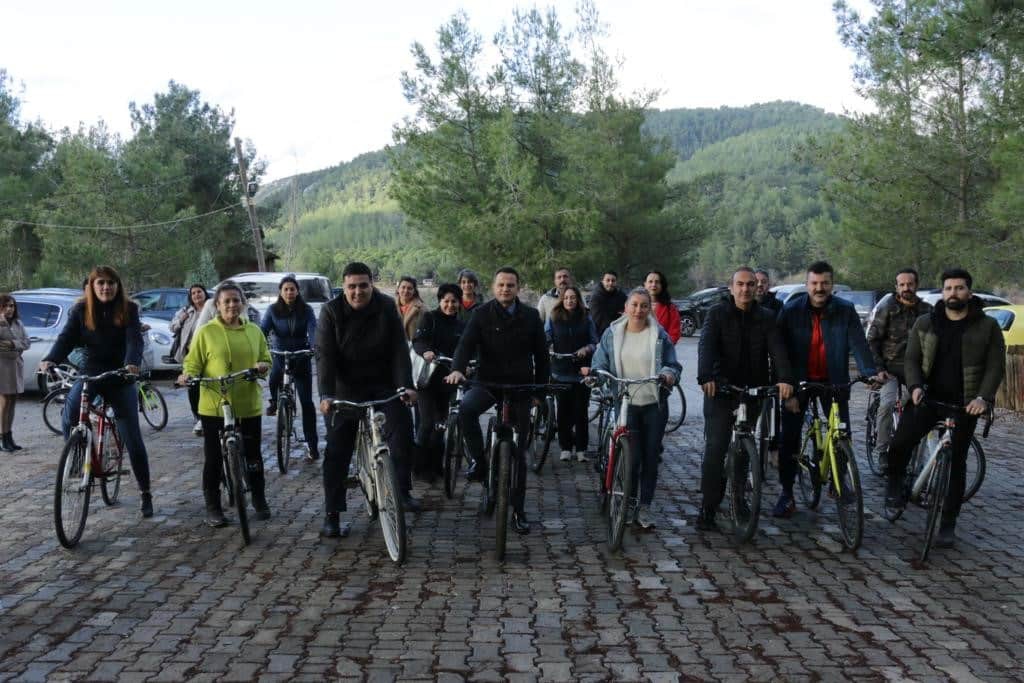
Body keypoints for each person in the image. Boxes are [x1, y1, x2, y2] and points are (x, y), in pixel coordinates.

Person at [886, 268, 1005, 548]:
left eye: (959, 288)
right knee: (900, 442)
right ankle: (894, 485)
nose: (954, 293)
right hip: (928, 399)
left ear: (969, 292)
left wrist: (983, 398)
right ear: (942, 292)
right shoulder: (927, 323)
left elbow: (995, 366)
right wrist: (914, 387)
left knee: (957, 464)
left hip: (965, 405)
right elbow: (912, 360)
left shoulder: (986, 326)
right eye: (949, 288)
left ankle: (948, 524)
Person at [39, 266, 155, 518]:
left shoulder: (129, 309)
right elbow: (66, 338)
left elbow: (134, 340)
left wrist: (131, 363)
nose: (106, 287)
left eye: (111, 283)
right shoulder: (81, 310)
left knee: (133, 438)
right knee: (71, 413)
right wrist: (50, 359)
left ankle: (145, 492)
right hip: (90, 372)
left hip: (120, 375)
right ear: (92, 286)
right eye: (100, 283)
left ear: (118, 285)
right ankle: (78, 458)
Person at [317, 261, 420, 538]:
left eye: (363, 285)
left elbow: (400, 350)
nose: (358, 291)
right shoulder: (331, 311)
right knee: (337, 451)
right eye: (352, 286)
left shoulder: (386, 307)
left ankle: (400, 491)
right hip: (345, 389)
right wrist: (326, 394)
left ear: (371, 284)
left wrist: (406, 386)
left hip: (383, 384)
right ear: (344, 287)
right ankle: (333, 514)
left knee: (402, 434)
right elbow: (324, 356)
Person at [445, 267, 549, 535]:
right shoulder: (481, 314)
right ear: (493, 287)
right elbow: (465, 345)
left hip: (521, 386)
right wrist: (457, 368)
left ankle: (519, 511)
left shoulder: (531, 316)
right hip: (487, 381)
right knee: (466, 409)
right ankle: (479, 461)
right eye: (501, 285)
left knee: (519, 454)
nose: (506, 289)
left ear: (518, 288)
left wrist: (540, 391)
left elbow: (542, 356)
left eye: (511, 285)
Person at [774, 261, 881, 518]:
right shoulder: (790, 311)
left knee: (842, 432)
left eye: (824, 283)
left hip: (834, 380)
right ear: (807, 285)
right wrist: (785, 385)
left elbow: (857, 342)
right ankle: (786, 493)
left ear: (832, 284)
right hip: (798, 382)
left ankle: (838, 481)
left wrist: (869, 372)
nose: (819, 288)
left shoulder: (845, 310)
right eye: (814, 283)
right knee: (789, 438)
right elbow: (779, 351)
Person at [696, 267, 794, 530]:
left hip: (753, 390)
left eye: (751, 284)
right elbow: (706, 346)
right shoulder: (717, 313)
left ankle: (739, 499)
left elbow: (778, 349)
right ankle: (709, 505)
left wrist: (784, 379)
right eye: (740, 284)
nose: (746, 289)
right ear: (731, 287)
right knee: (716, 449)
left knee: (742, 451)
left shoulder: (766, 317)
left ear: (757, 288)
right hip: (720, 390)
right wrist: (706, 376)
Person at [584, 287, 681, 528]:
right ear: (626, 307)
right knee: (632, 456)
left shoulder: (658, 335)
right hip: (625, 401)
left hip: (653, 403)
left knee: (650, 457)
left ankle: (644, 506)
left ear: (650, 309)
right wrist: (595, 375)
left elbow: (673, 365)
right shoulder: (612, 333)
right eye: (634, 305)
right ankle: (626, 500)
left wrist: (668, 375)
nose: (638, 310)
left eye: (644, 306)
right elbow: (600, 362)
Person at [180, 282, 272, 526]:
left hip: (247, 401)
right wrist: (187, 375)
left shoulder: (254, 331)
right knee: (212, 458)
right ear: (217, 306)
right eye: (226, 301)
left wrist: (262, 366)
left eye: (235, 300)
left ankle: (259, 498)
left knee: (253, 454)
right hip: (213, 403)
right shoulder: (207, 332)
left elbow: (265, 358)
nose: (232, 305)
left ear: (242, 303)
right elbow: (192, 362)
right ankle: (213, 506)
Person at [865, 268, 932, 468]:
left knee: (920, 407)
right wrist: (878, 369)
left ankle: (913, 449)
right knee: (887, 404)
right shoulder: (887, 308)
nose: (906, 288)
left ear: (916, 285)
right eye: (901, 285)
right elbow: (872, 340)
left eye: (909, 284)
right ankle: (882, 451)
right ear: (896, 287)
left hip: (916, 370)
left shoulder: (927, 311)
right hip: (890, 368)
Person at [261, 274, 319, 460]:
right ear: (280, 291)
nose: (289, 292)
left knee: (307, 402)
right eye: (285, 289)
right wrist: (259, 347)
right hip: (280, 355)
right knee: (273, 380)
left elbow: (313, 329)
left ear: (297, 291)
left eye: (292, 289)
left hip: (301, 357)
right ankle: (274, 402)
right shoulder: (272, 310)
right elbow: (262, 331)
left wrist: (314, 347)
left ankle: (312, 445)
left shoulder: (307, 310)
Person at [411, 283, 466, 480]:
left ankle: (436, 465)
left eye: (454, 302)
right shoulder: (430, 318)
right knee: (426, 423)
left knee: (441, 425)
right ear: (440, 301)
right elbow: (418, 340)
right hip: (428, 380)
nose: (450, 305)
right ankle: (419, 467)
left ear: (459, 303)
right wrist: (426, 351)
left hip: (449, 380)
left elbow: (468, 347)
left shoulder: (462, 325)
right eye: (446, 301)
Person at [545, 285, 598, 462]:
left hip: (581, 371)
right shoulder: (554, 316)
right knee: (563, 411)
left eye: (573, 298)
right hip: (560, 370)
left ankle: (582, 448)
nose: (569, 300)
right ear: (562, 299)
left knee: (581, 411)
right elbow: (547, 335)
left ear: (578, 299)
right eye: (566, 297)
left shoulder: (586, 317)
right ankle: (565, 447)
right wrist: (550, 346)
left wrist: (586, 349)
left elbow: (594, 342)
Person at [170, 284, 210, 436]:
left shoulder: (212, 308)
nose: (196, 295)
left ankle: (208, 416)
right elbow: (172, 327)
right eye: (193, 293)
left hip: (208, 354)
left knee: (206, 384)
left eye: (199, 292)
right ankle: (198, 417)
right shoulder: (186, 311)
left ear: (205, 293)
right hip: (189, 355)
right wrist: (181, 319)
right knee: (193, 387)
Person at [0, 294, 30, 452]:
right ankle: (2, 437)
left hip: (15, 365)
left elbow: (26, 343)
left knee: (12, 402)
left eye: (11, 306)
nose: (9, 309)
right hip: (2, 367)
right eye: (5, 306)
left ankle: (9, 436)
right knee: (4, 402)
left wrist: (11, 343)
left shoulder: (18, 323)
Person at [644, 270, 681, 344]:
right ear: (645, 284)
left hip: (661, 351)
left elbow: (674, 333)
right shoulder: (635, 305)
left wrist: (662, 347)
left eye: (657, 282)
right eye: (650, 281)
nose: (653, 284)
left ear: (662, 285)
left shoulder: (670, 308)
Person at [589, 270, 628, 338]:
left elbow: (626, 313)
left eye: (613, 281)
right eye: (608, 280)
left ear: (616, 282)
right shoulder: (596, 297)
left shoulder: (621, 296)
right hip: (601, 335)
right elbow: (598, 321)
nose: (610, 283)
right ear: (602, 281)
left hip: (620, 333)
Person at [396, 276, 426, 341]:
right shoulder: (390, 306)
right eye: (403, 287)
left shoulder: (422, 309)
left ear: (414, 291)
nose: (406, 291)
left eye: (409, 288)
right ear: (398, 289)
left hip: (415, 347)